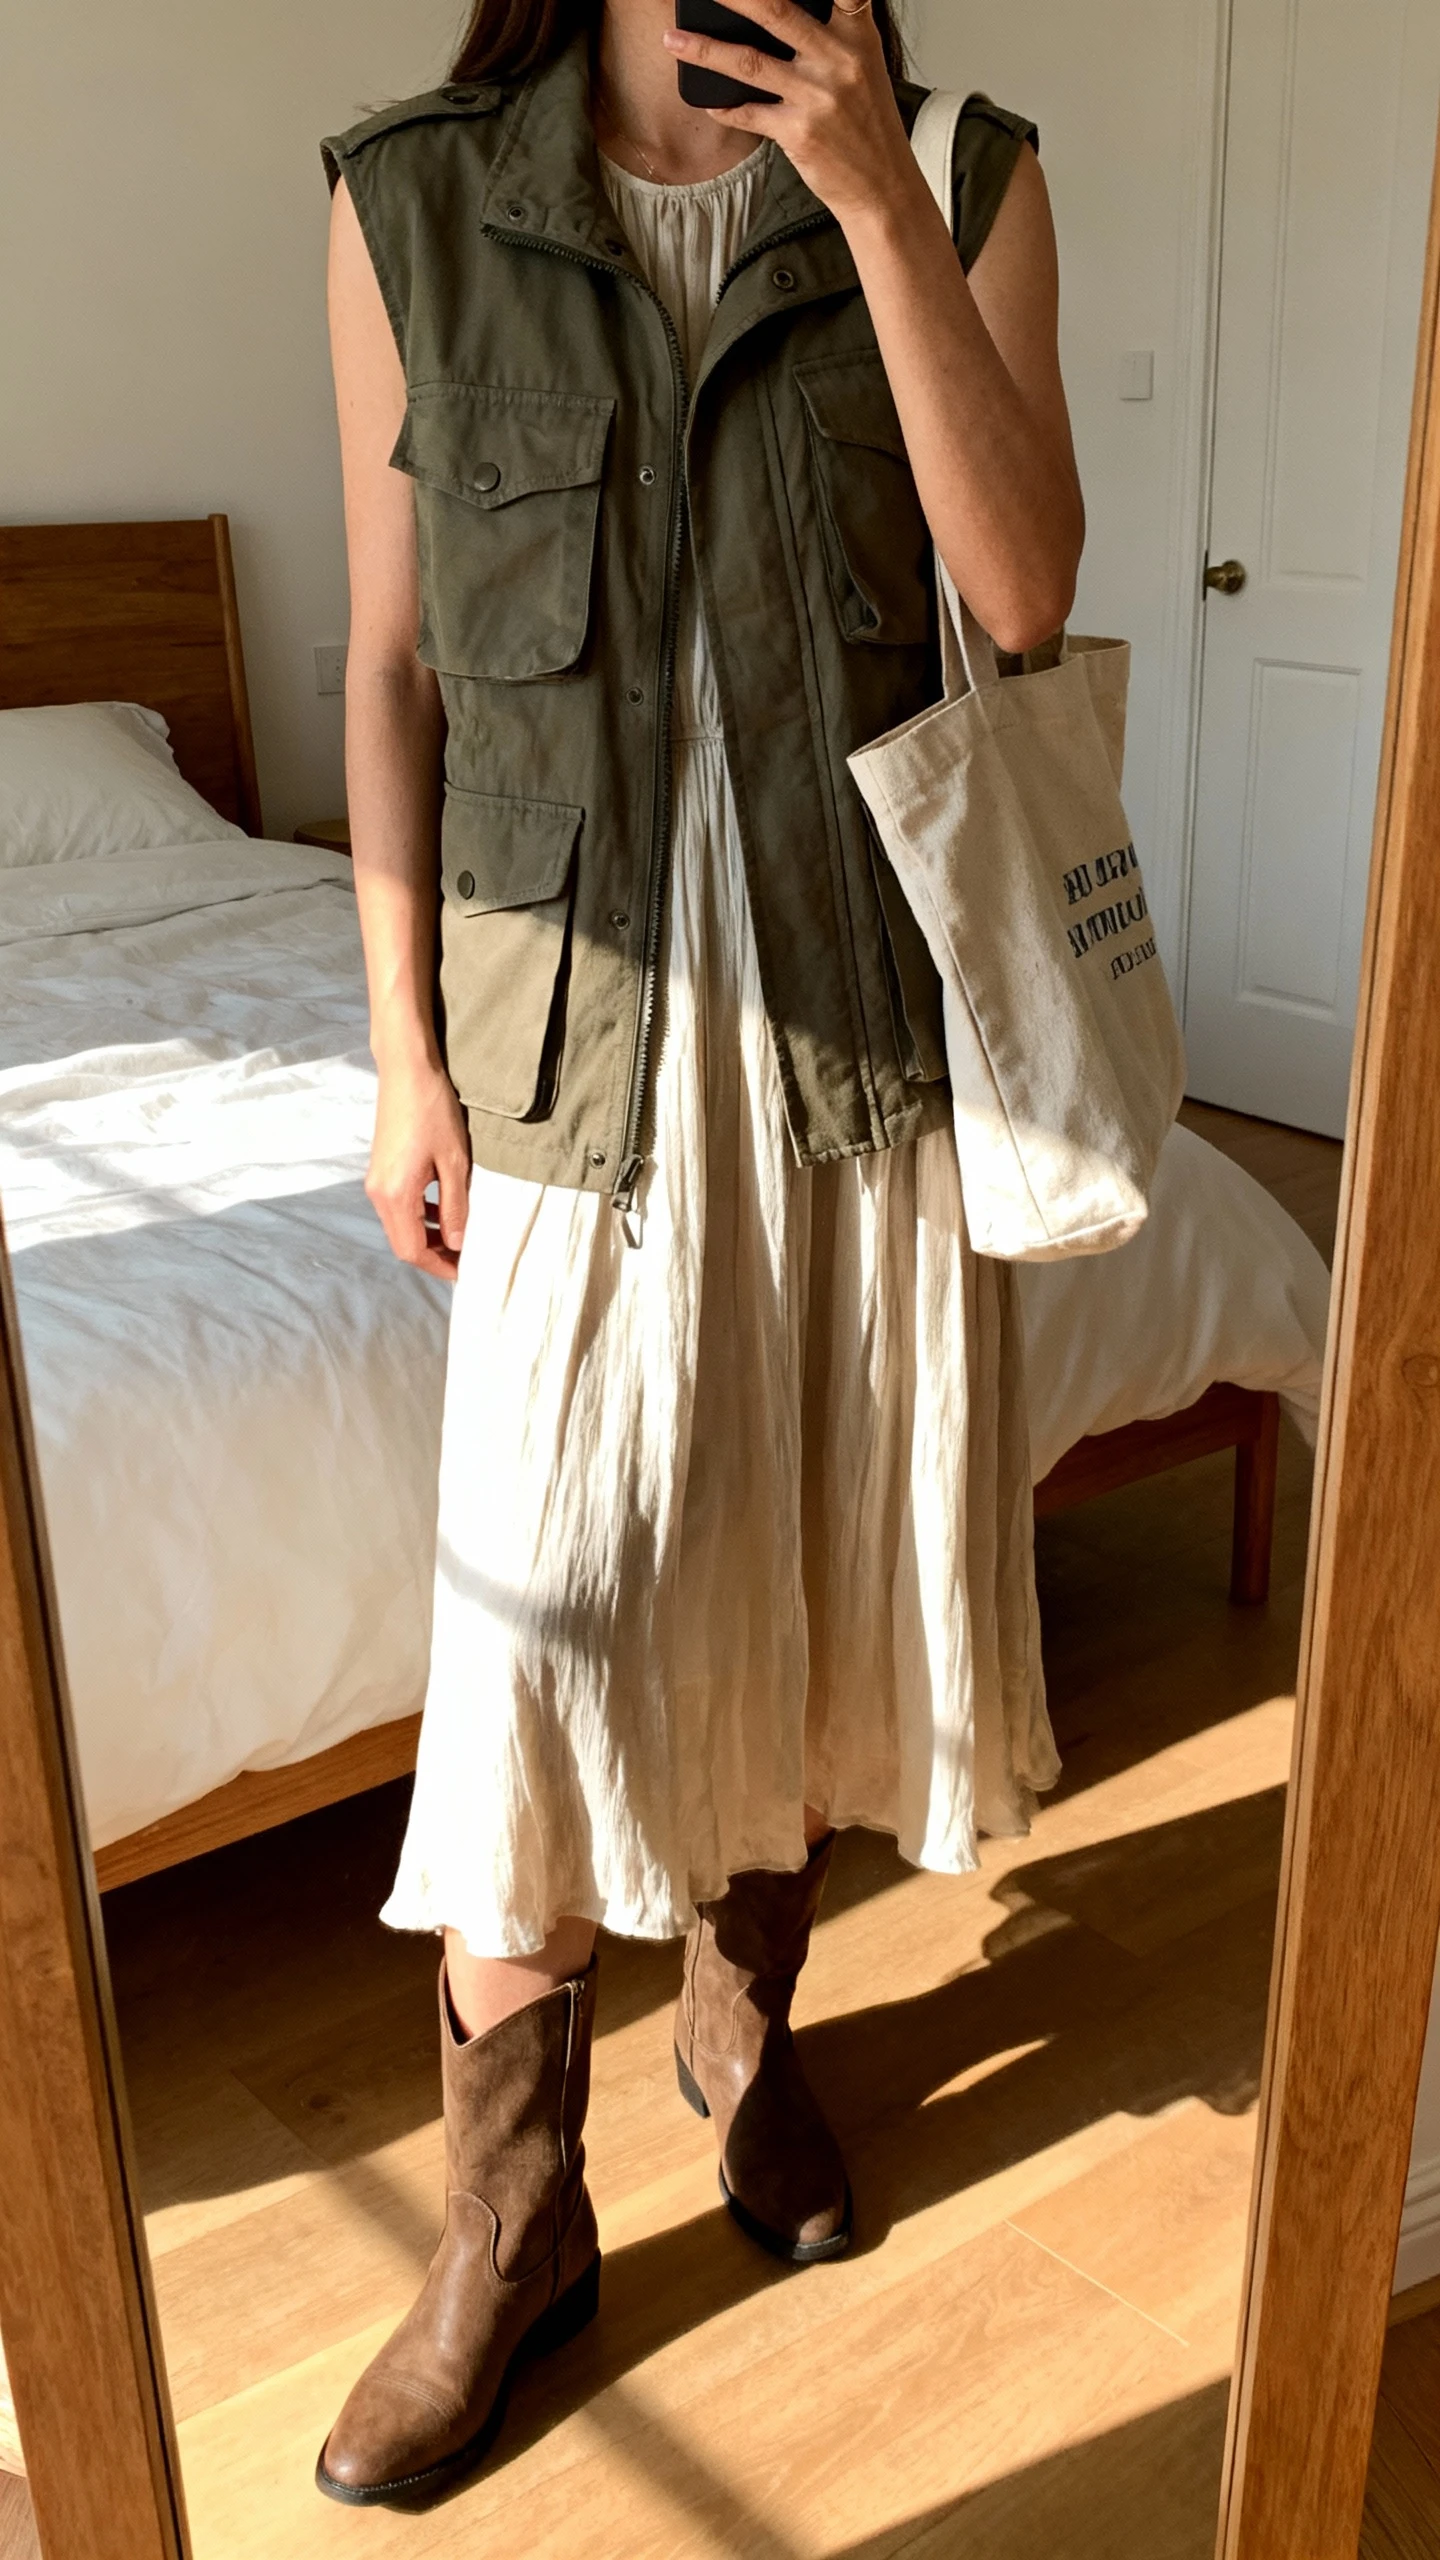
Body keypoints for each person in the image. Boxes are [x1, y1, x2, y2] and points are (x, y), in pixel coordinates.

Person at [318, 0, 1083, 2507]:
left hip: (860, 1050)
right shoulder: (411, 199)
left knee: (792, 1563)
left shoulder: (963, 174)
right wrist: (404, 1051)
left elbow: (1030, 583)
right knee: (531, 1643)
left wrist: (870, 201)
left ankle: (744, 2029)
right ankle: (512, 2216)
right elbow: (397, 664)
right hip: (573, 1058)